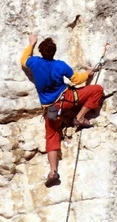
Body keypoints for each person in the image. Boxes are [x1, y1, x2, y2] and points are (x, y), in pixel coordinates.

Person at [21, 34, 104, 187]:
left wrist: (31, 43)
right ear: (54, 52)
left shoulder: (35, 63)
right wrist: (88, 73)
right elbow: (78, 80)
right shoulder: (60, 65)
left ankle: (53, 171)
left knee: (51, 136)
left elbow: (23, 60)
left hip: (51, 109)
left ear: (41, 52)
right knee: (97, 90)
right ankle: (79, 117)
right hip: (67, 100)